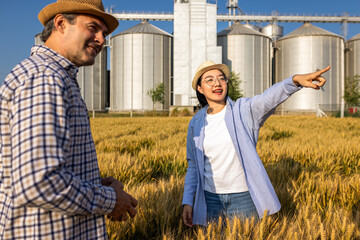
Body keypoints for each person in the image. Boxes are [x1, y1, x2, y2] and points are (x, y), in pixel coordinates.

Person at [0, 0, 138, 239]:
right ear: (61, 23)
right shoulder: (45, 79)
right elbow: (39, 184)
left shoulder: (55, 76)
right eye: (93, 28)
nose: (101, 39)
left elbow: (40, 171)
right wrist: (111, 200)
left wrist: (94, 183)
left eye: (104, 33)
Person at [182, 60, 330, 227]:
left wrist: (294, 81)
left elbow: (267, 99)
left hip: (243, 199)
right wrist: (188, 200)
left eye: (221, 78)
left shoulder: (243, 110)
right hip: (209, 199)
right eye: (209, 80)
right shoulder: (196, 123)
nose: (217, 83)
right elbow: (193, 165)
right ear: (200, 89)